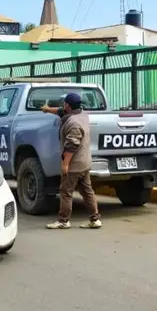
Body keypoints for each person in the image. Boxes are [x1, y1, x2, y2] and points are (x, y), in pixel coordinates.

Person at [42, 92, 102, 230]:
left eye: (65, 104)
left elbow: (71, 146)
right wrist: (47, 109)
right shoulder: (82, 115)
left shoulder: (73, 123)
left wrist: (65, 164)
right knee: (87, 191)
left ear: (68, 105)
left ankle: (63, 221)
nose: (63, 107)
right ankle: (95, 219)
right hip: (85, 162)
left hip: (74, 165)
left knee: (66, 191)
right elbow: (61, 111)